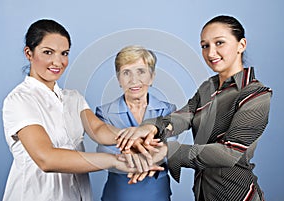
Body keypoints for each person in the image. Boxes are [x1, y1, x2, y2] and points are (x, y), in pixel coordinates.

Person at [2, 19, 164, 201]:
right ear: (29, 53)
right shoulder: (20, 100)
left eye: (64, 53)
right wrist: (115, 161)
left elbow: (98, 130)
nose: (58, 61)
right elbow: (46, 158)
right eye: (48, 52)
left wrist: (132, 139)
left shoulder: (73, 98)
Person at [116, 15, 272, 201]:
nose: (211, 53)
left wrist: (169, 150)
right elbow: (184, 116)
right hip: (203, 193)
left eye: (219, 43)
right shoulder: (208, 87)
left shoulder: (256, 94)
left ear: (241, 44)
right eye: (205, 46)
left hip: (237, 194)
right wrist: (150, 128)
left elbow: (230, 152)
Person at [95, 45, 176, 201]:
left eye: (141, 72)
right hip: (119, 194)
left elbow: (170, 148)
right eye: (126, 73)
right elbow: (105, 152)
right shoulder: (104, 112)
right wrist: (151, 153)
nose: (134, 80)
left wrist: (130, 152)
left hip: (157, 193)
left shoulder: (167, 110)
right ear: (118, 78)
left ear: (151, 77)